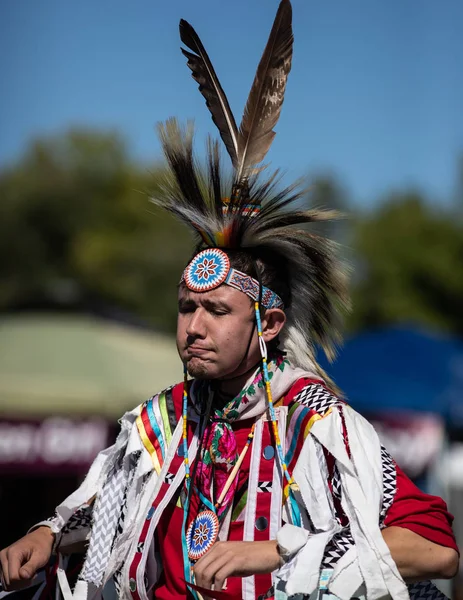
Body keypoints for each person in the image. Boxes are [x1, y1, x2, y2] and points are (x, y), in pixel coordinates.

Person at [0, 1, 459, 599]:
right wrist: (45, 533)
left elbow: (438, 552)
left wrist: (277, 552)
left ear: (267, 323)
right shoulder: (159, 425)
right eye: (187, 307)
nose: (193, 326)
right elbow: (97, 510)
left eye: (217, 311)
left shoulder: (316, 424)